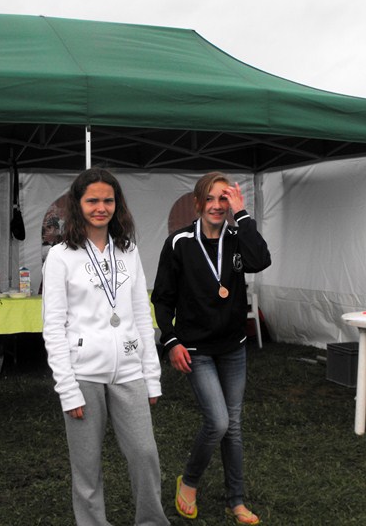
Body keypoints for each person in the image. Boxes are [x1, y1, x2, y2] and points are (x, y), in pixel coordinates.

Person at [42, 168, 168, 526]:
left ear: (117, 204)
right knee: (86, 465)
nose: (101, 208)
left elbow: (142, 315)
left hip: (128, 369)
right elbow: (53, 326)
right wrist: (67, 389)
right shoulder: (61, 256)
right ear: (77, 204)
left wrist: (152, 377)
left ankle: (151, 521)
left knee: (145, 453)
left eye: (108, 200)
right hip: (83, 374)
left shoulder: (128, 251)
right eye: (92, 200)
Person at [152, 172, 271, 526]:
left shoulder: (237, 238)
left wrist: (243, 215)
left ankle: (237, 500)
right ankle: (189, 481)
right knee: (218, 421)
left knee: (233, 425)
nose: (217, 206)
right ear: (198, 203)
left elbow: (260, 260)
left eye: (224, 199)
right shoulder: (179, 243)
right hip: (196, 348)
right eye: (210, 198)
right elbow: (163, 298)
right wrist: (171, 340)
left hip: (233, 347)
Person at [37, 215, 63, 294]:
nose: (48, 231)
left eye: (49, 227)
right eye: (47, 228)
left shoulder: (48, 247)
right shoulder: (46, 248)